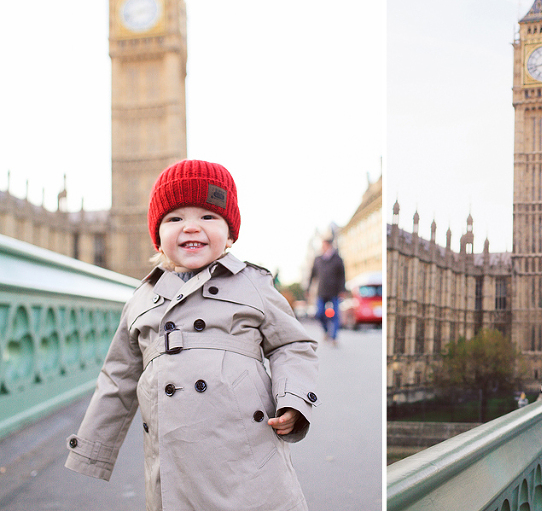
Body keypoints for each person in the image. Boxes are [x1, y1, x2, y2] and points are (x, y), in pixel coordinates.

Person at [64, 159, 320, 511]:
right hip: (174, 468)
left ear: (229, 232)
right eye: (175, 218)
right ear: (158, 234)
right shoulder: (141, 299)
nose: (191, 227)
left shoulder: (253, 284)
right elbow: (118, 377)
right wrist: (93, 449)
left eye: (207, 217)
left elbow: (293, 344)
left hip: (247, 459)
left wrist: (292, 398)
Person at [308, 235, 346, 343]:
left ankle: (333, 337)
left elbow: (342, 276)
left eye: (323, 245)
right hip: (322, 291)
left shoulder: (337, 259)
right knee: (319, 313)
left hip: (335, 291)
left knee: (335, 315)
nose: (322, 247)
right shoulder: (318, 259)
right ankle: (326, 331)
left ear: (329, 245)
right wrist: (308, 289)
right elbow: (312, 275)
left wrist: (342, 290)